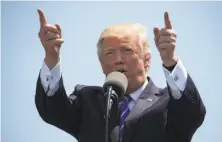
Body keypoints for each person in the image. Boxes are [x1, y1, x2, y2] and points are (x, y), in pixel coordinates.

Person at [35, 8, 206, 142]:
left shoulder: (169, 102)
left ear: (147, 60)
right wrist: (51, 57)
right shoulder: (88, 99)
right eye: (109, 54)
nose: (118, 60)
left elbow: (193, 114)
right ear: (102, 64)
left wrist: (170, 60)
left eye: (127, 50)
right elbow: (53, 110)